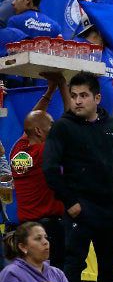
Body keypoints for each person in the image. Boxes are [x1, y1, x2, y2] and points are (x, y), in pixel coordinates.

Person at [42, 72, 113, 282]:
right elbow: (49, 169)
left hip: (111, 210)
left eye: (83, 95)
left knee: (109, 267)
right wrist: (70, 202)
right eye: (74, 95)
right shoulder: (63, 127)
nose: (77, 101)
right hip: (79, 210)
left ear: (97, 98)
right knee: (73, 265)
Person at [10, 77, 68, 269]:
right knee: (54, 275)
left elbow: (30, 121)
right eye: (51, 124)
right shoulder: (45, 152)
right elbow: (72, 122)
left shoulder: (18, 150)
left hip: (25, 229)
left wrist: (50, 91)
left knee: (30, 274)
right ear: (39, 131)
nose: (54, 127)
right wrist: (62, 85)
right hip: (47, 229)